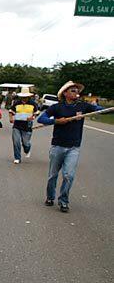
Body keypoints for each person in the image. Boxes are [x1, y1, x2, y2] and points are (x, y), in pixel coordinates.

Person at [37, 81, 103, 212]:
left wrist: (100, 108)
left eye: (77, 90)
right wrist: (56, 121)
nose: (76, 92)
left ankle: (63, 201)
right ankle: (50, 197)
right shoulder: (57, 107)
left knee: (69, 175)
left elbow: (100, 111)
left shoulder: (83, 106)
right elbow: (41, 119)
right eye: (72, 90)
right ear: (65, 93)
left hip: (74, 147)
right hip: (57, 146)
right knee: (53, 175)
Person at [9, 87, 39, 164]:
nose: (24, 98)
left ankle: (27, 149)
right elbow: (11, 111)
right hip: (17, 125)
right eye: (23, 97)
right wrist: (11, 118)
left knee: (26, 143)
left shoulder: (33, 103)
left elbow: (36, 113)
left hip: (27, 125)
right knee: (16, 141)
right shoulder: (16, 103)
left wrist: (32, 117)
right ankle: (17, 157)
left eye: (26, 97)